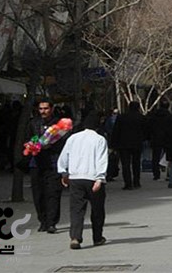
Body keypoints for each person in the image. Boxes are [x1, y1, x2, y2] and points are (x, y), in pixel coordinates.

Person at [57, 112, 108, 250]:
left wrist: (64, 173)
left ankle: (75, 237)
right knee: (97, 209)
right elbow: (102, 159)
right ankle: (97, 237)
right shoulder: (100, 139)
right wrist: (100, 178)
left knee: (76, 209)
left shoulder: (73, 138)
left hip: (75, 178)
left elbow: (64, 157)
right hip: (92, 177)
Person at [26, 98, 67, 234]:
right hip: (37, 163)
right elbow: (30, 137)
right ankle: (42, 221)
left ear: (52, 109)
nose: (43, 111)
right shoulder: (33, 123)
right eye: (41, 109)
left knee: (53, 193)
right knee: (38, 194)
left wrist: (51, 145)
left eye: (46, 108)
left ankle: (51, 222)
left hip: (53, 162)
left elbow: (63, 142)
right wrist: (33, 145)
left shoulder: (58, 124)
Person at [110, 101, 146, 190]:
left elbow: (116, 131)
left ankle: (128, 183)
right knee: (136, 163)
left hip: (123, 144)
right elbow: (146, 130)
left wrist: (113, 144)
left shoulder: (122, 117)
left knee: (125, 164)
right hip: (137, 143)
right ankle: (136, 182)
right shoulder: (141, 117)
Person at [149, 100, 172, 181]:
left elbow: (150, 127)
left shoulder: (154, 116)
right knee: (169, 157)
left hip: (155, 138)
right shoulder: (170, 116)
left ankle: (156, 174)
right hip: (167, 138)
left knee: (155, 157)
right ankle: (169, 174)